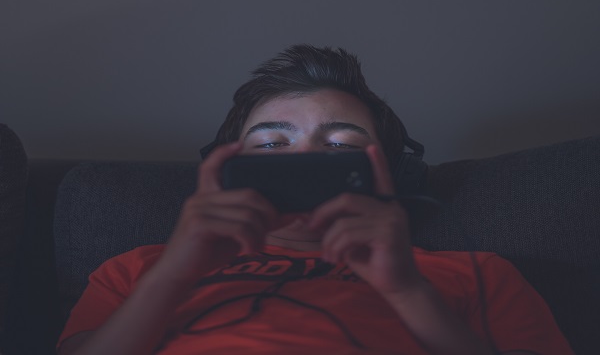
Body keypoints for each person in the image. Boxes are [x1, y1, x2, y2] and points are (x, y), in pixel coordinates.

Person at [57, 45, 574, 355]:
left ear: (390, 173)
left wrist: (407, 291)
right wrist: (173, 274)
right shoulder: (135, 269)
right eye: (271, 144)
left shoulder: (479, 274)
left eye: (340, 145)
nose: (302, 158)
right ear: (228, 167)